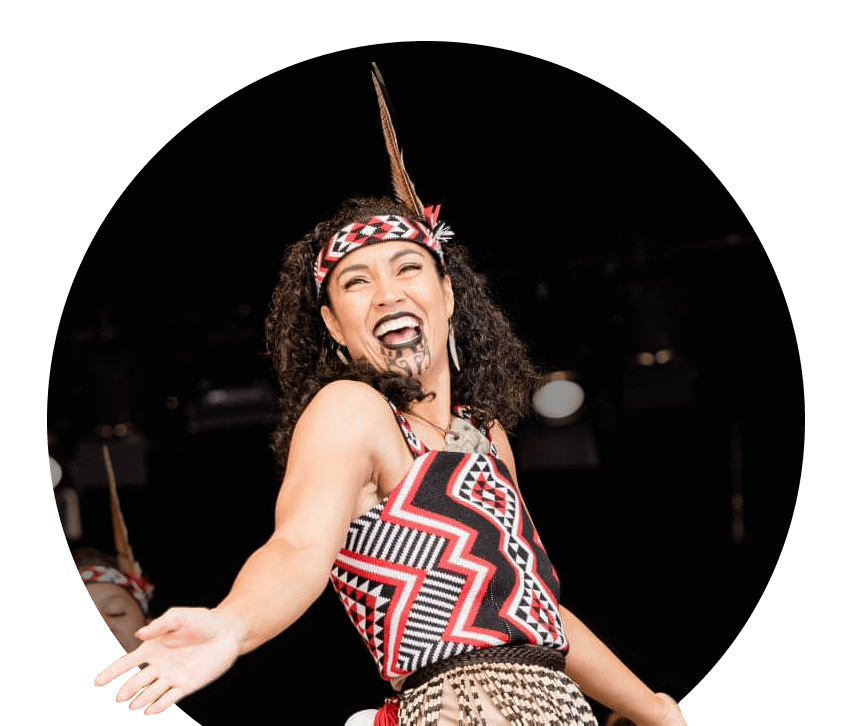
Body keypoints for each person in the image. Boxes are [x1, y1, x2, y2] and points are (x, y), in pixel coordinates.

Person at [93, 65, 689, 725]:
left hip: (555, 707)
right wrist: (233, 625)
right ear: (333, 327)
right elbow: (297, 547)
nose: (387, 293)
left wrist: (654, 708)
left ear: (447, 296)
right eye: (355, 283)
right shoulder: (354, 411)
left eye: (408, 268)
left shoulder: (485, 438)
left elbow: (539, 615)